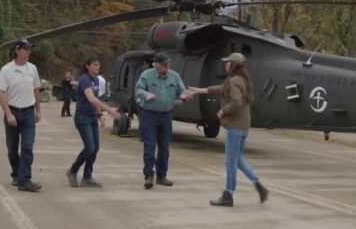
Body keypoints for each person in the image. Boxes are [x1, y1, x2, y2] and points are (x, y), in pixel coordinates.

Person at [188, 53, 269, 207]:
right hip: (243, 127)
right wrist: (199, 90)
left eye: (228, 62)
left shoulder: (233, 81)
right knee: (237, 160)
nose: (225, 65)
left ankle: (228, 194)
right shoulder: (243, 80)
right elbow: (221, 89)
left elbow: (236, 101)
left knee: (230, 162)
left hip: (235, 128)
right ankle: (259, 186)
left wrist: (223, 111)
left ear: (233, 65)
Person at [135, 52, 193, 189]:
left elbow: (181, 91)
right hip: (149, 115)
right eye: (163, 64)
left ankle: (162, 176)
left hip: (166, 115)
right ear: (156, 65)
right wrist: (146, 94)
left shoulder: (174, 76)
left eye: (167, 63)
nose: (166, 66)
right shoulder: (147, 75)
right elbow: (138, 90)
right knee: (149, 146)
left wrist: (186, 96)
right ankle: (149, 175)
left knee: (164, 148)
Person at [0, 39, 42, 193]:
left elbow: (36, 90)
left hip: (28, 112)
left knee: (27, 148)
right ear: (17, 51)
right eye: (26, 49)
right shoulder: (6, 70)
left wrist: (38, 110)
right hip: (13, 112)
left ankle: (25, 180)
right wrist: (8, 114)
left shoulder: (32, 69)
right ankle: (17, 173)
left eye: (29, 49)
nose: (29, 52)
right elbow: (1, 93)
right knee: (12, 149)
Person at [66, 58, 121, 188]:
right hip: (83, 117)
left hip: (92, 117)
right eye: (95, 64)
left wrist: (99, 115)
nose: (97, 66)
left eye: (98, 64)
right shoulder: (85, 79)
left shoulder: (96, 80)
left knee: (95, 148)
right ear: (87, 66)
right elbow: (91, 98)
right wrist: (109, 110)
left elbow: (96, 100)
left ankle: (87, 177)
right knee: (89, 147)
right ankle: (72, 171)